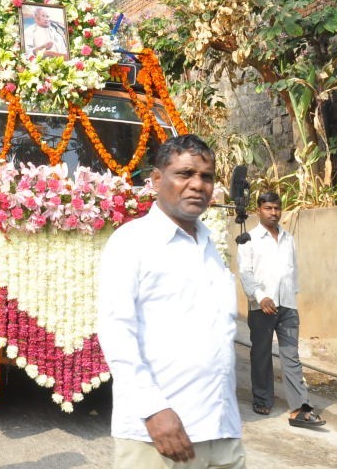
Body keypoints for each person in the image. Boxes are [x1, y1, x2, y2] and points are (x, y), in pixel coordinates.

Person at [98, 134, 244, 468]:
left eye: (206, 177)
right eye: (185, 174)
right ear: (157, 179)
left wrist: (230, 424)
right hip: (158, 435)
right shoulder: (132, 242)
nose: (197, 185)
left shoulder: (209, 245)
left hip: (221, 430)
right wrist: (153, 410)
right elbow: (116, 333)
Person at [238, 192, 325, 428]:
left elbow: (293, 270)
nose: (273, 213)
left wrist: (291, 298)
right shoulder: (249, 238)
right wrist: (259, 297)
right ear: (259, 210)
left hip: (287, 305)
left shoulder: (288, 238)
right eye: (268, 208)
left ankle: (300, 407)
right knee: (261, 355)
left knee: (291, 356)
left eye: (277, 208)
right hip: (261, 307)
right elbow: (245, 273)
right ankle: (262, 398)